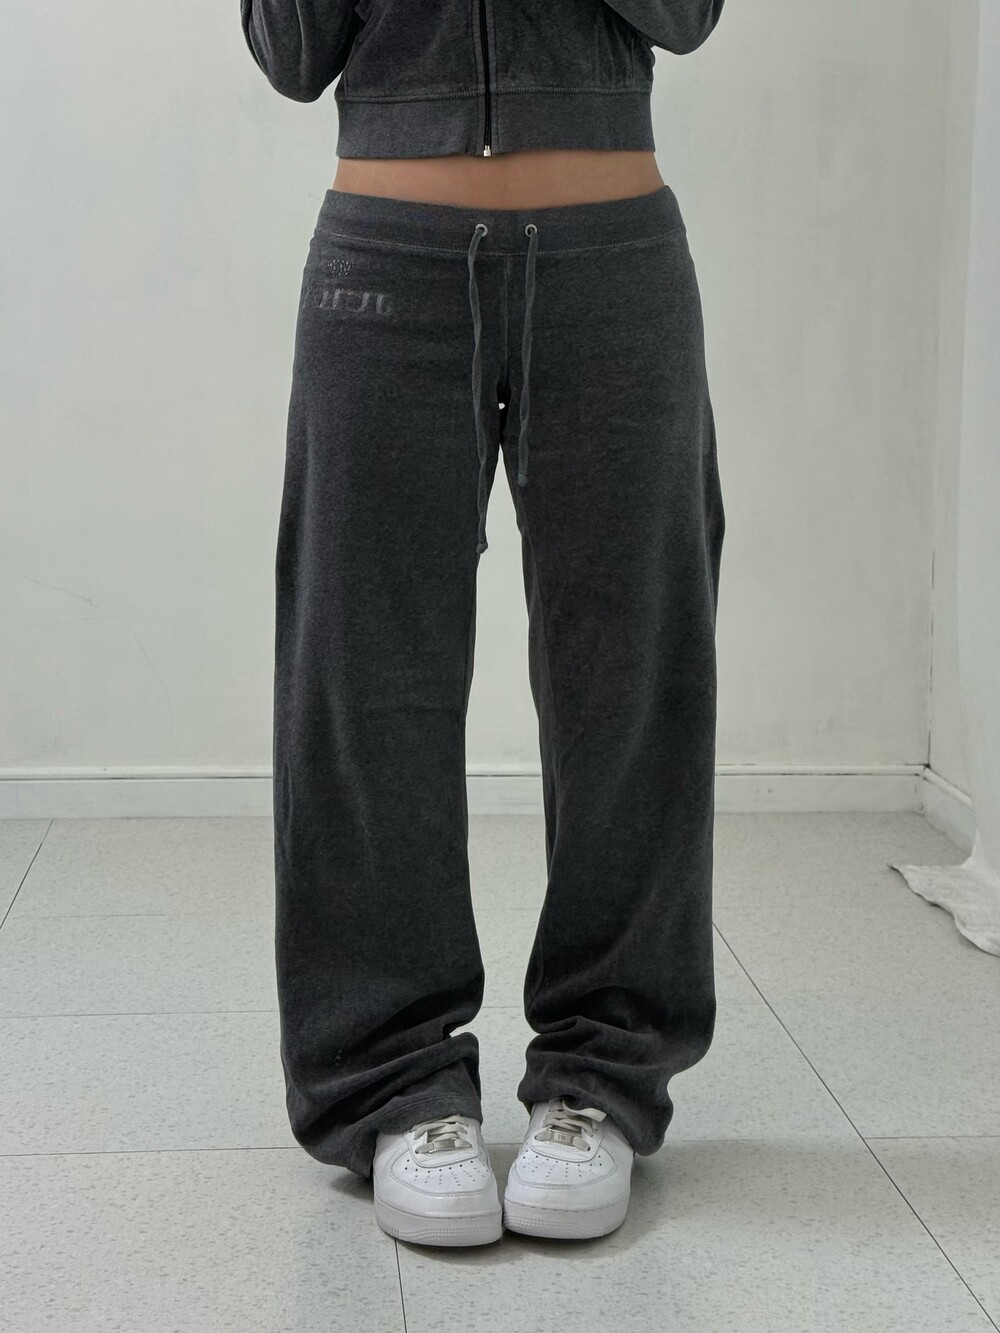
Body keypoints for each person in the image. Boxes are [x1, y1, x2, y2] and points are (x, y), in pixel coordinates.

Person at [241, 0, 727, 1247]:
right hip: (382, 270)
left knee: (632, 681)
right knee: (362, 681)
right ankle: (392, 1085)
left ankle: (602, 1076)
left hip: (612, 266)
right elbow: (291, 55)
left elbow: (687, 17)